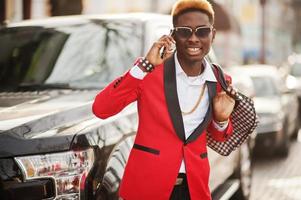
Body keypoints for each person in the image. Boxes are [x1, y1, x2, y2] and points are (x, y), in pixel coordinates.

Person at [92, 0, 236, 199]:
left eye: (202, 31)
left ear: (213, 34)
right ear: (174, 35)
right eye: (185, 31)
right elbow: (101, 108)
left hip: (194, 189)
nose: (194, 39)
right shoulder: (149, 73)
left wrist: (221, 119)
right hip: (148, 187)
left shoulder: (220, 80)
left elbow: (219, 136)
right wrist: (144, 65)